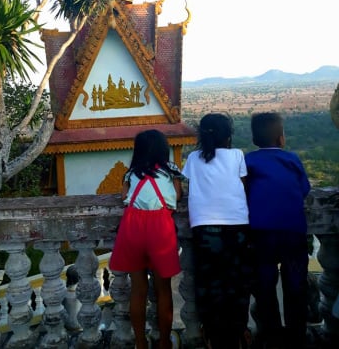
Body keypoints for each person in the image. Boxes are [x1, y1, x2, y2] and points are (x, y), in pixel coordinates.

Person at [182, 113, 253, 349]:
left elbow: (189, 187)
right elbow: (243, 187)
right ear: (229, 135)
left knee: (208, 281)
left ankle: (212, 333)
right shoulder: (237, 156)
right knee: (237, 279)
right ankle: (239, 329)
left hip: (204, 226)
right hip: (237, 224)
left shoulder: (193, 158)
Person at [109, 129, 184, 349]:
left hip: (133, 228)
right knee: (163, 289)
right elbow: (177, 196)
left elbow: (124, 197)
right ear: (163, 149)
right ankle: (163, 342)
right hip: (160, 228)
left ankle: (140, 342)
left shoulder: (131, 173)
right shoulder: (171, 171)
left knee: (138, 289)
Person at [245, 112, 311, 349]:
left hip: (261, 232)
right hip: (292, 230)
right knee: (296, 285)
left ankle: (270, 335)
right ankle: (297, 336)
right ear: (281, 138)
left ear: (254, 139)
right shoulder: (292, 159)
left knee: (264, 285)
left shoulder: (248, 161)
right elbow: (304, 189)